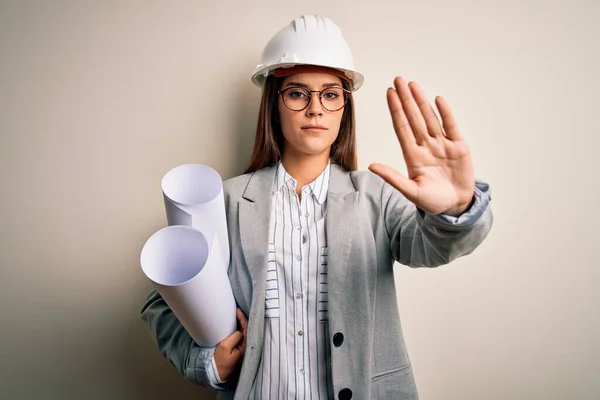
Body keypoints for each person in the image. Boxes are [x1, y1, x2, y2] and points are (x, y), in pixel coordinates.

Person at [141, 14, 493, 400]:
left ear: (345, 105)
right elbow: (165, 301)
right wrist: (207, 362)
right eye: (297, 93)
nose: (315, 109)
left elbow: (433, 246)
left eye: (330, 93)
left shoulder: (376, 195)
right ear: (273, 102)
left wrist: (456, 209)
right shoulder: (225, 200)